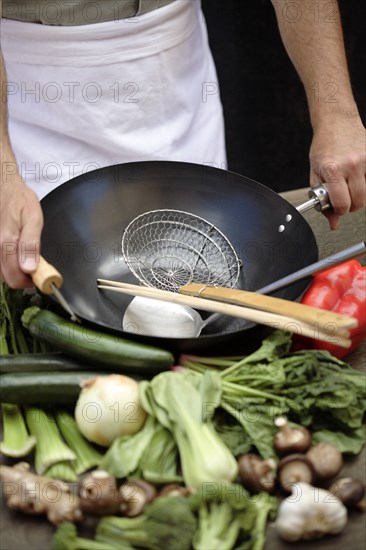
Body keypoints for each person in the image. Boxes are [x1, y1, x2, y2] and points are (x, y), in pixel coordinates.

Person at [1, 0, 365, 290]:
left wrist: (336, 114)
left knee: (207, 278)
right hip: (32, 95)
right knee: (47, 283)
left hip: (174, 72)